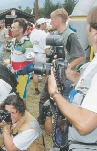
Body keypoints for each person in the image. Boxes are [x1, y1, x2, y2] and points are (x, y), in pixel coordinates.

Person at [48, 6, 97, 150]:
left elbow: (83, 124)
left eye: (87, 24)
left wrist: (55, 93)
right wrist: (70, 74)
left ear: (94, 32)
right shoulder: (93, 63)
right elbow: (87, 84)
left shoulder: (70, 36)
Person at [37, 8, 85, 125]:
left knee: (63, 101)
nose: (50, 22)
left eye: (52, 20)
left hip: (66, 78)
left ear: (58, 20)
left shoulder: (70, 36)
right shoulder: (54, 35)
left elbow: (81, 56)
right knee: (44, 98)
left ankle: (60, 126)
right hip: (54, 73)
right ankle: (43, 120)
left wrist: (68, 67)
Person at [10, 18, 34, 104]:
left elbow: (31, 66)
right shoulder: (13, 41)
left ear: (20, 30)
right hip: (13, 74)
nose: (11, 30)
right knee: (19, 97)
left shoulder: (28, 44)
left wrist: (16, 71)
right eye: (11, 27)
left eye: (13, 28)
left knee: (18, 99)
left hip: (22, 76)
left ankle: (22, 114)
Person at [30, 18, 50, 95]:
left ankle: (36, 89)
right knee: (46, 73)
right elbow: (46, 48)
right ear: (41, 24)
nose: (46, 25)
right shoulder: (44, 35)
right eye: (45, 23)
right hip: (42, 55)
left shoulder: (32, 34)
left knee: (36, 73)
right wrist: (49, 56)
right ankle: (46, 89)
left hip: (34, 54)